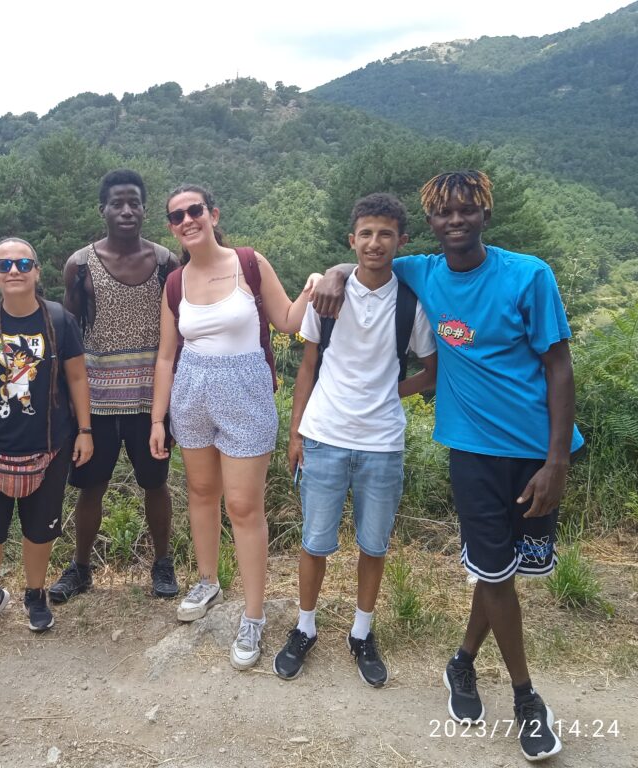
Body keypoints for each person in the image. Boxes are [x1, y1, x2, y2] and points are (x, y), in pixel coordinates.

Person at [313, 171, 582, 762]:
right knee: (495, 572)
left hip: (535, 454)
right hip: (471, 452)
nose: (454, 221)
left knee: (501, 573)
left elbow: (559, 366)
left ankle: (461, 662)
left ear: (486, 213)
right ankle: (526, 699)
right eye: (443, 214)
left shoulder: (528, 276)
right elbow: (359, 264)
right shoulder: (423, 272)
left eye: (467, 211)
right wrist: (329, 273)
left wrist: (557, 461)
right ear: (430, 224)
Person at [272, 193, 437, 686]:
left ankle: (362, 632)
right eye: (365, 233)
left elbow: (430, 371)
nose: (374, 242)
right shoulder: (327, 296)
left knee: (373, 543)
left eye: (385, 234)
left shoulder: (411, 303)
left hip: (383, 441)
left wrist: (391, 391)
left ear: (401, 242)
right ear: (352, 240)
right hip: (323, 435)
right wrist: (297, 432)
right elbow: (307, 368)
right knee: (315, 541)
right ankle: (305, 627)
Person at [149, 183, 312, 670]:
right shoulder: (175, 283)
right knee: (201, 492)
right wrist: (158, 419)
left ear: (214, 214)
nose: (187, 220)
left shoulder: (249, 263)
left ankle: (254, 615)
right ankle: (208, 580)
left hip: (246, 391)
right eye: (177, 216)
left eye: (195, 210)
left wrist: (317, 282)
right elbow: (165, 356)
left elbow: (286, 321)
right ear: (172, 227)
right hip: (191, 394)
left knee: (244, 506)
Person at [0, 237, 94, 638]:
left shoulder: (59, 321)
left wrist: (85, 430)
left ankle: (35, 593)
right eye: (4, 265)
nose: (14, 272)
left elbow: (77, 377)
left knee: (40, 529)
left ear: (37, 271)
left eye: (23, 264)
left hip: (50, 443)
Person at [50, 169, 180, 605]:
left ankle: (163, 564)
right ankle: (81, 566)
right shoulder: (80, 264)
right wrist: (66, 400)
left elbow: (181, 328)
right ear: (102, 209)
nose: (127, 211)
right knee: (91, 485)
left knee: (155, 483)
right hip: (96, 399)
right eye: (117, 203)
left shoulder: (165, 263)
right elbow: (68, 335)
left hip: (151, 398)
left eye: (135, 203)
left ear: (145, 208)